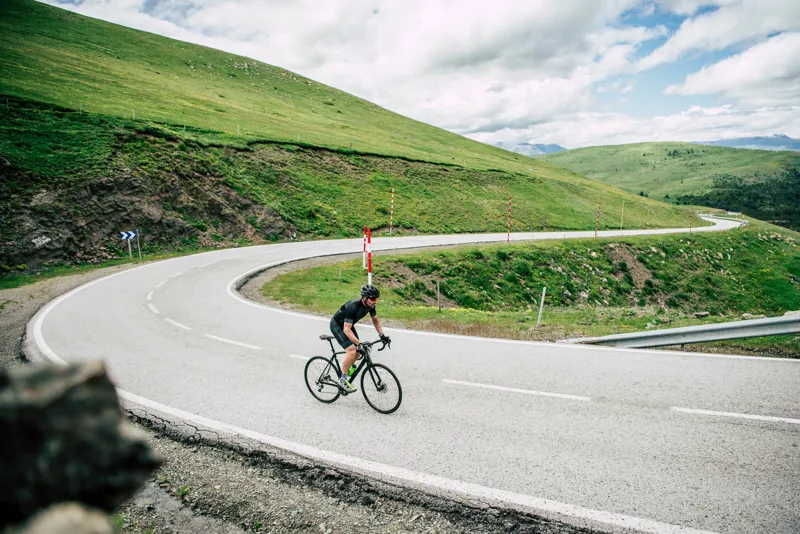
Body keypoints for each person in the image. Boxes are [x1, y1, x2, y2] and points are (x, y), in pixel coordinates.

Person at [330, 283, 390, 393]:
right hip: (338, 325)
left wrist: (382, 335)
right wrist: (359, 343)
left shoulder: (371, 305)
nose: (374, 301)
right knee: (352, 351)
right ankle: (342, 380)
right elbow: (346, 330)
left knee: (358, 352)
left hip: (348, 326)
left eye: (376, 298)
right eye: (372, 298)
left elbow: (375, 320)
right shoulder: (354, 306)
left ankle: (346, 368)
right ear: (365, 298)